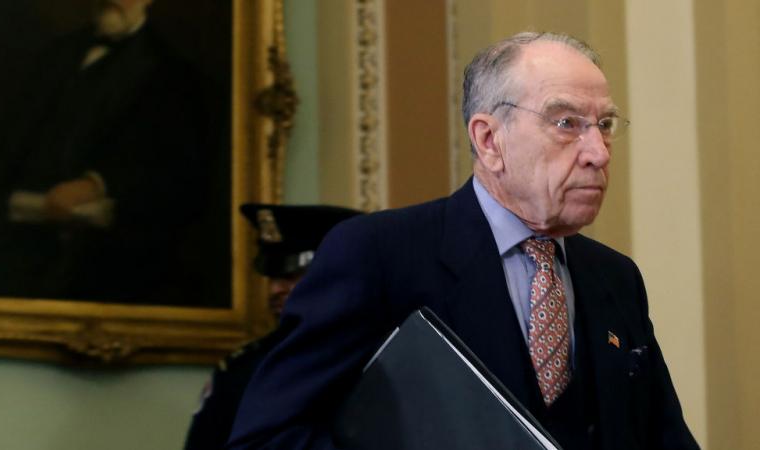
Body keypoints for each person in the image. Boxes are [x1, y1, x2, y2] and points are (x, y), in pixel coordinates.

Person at [227, 32, 700, 450]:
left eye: (604, 125)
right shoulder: (378, 255)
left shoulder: (615, 278)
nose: (597, 152)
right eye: (566, 124)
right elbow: (267, 437)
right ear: (489, 140)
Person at [0, 0, 207, 302]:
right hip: (20, 238)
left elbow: (174, 166)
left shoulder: (171, 71)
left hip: (109, 258)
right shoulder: (54, 54)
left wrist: (95, 183)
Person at [183, 203, 363, 450]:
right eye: (272, 276)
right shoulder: (243, 370)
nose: (275, 289)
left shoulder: (373, 357)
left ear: (332, 272)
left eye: (291, 275)